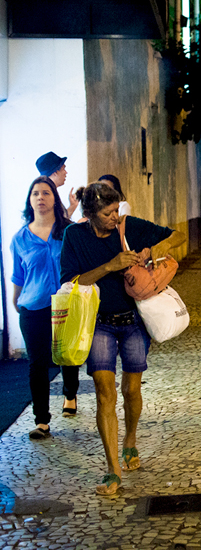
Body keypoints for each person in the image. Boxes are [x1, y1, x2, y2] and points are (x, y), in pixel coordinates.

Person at [60, 182, 186, 495]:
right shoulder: (74, 237)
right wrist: (109, 266)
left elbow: (178, 235)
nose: (115, 217)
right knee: (105, 393)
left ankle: (130, 439)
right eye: (107, 212)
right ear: (90, 213)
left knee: (131, 390)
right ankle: (112, 469)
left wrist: (155, 249)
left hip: (133, 322)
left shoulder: (130, 227)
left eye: (117, 209)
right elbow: (70, 282)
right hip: (98, 323)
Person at [9, 177, 81, 440]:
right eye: (35, 194)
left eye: (46, 193)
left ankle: (70, 394)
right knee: (37, 363)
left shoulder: (68, 232)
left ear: (54, 198)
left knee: (66, 355)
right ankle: (42, 421)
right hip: (33, 307)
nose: (40, 198)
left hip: (65, 304)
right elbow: (18, 276)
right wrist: (16, 302)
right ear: (30, 200)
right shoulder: (20, 238)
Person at [36, 151, 79, 217]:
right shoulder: (46, 196)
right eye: (63, 169)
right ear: (55, 173)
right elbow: (54, 225)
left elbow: (60, 220)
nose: (66, 172)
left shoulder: (51, 193)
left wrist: (73, 206)